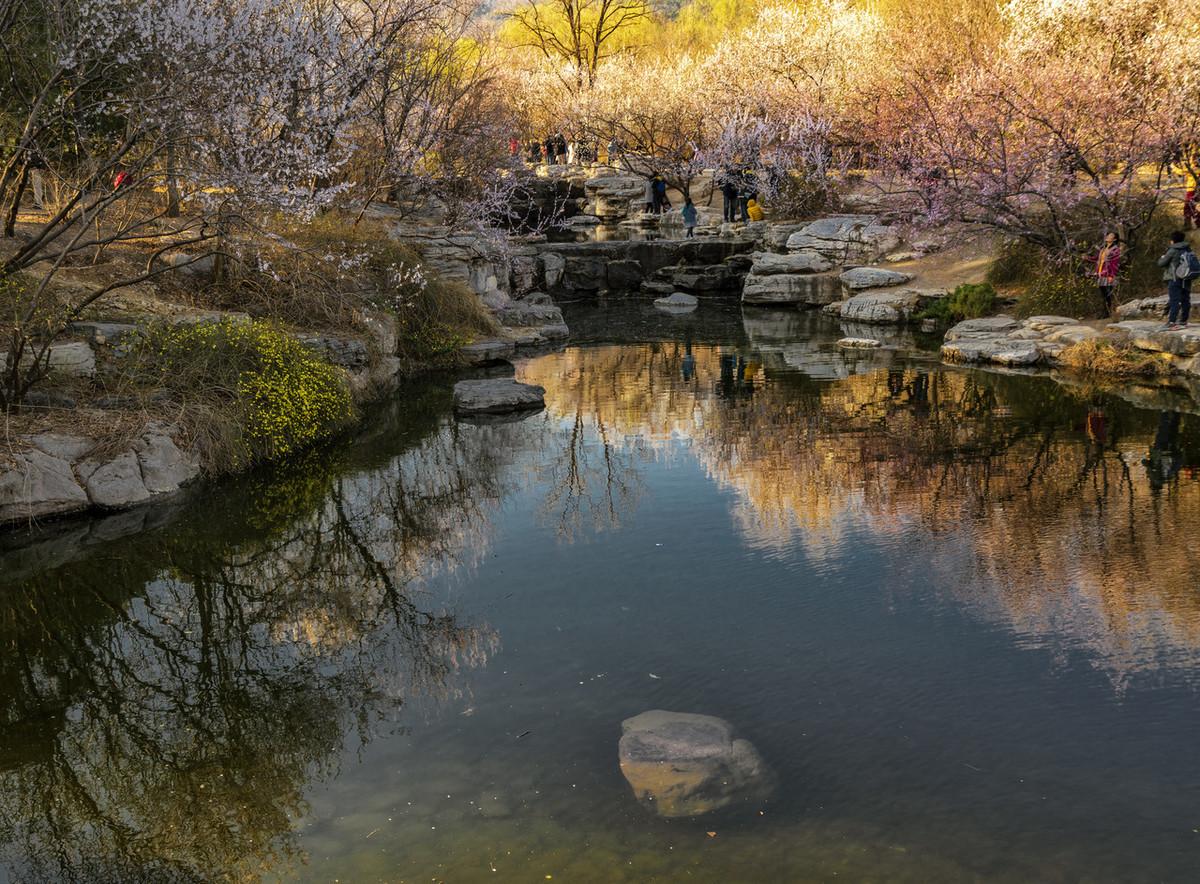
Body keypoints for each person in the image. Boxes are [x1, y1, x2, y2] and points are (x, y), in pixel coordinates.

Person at [1157, 231, 1196, 329]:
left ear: (1172, 240)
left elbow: (1161, 263)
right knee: (1185, 299)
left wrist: (1162, 257)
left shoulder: (1173, 250)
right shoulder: (1188, 248)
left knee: (1174, 299)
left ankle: (1171, 322)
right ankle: (1183, 321)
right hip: (1186, 278)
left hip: (1175, 278)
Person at [1095, 232, 1121, 315]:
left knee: (1108, 295)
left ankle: (1109, 312)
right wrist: (1087, 258)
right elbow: (1097, 258)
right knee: (1103, 295)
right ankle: (1106, 312)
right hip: (1101, 274)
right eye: (1108, 235)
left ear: (1114, 239)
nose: (1108, 237)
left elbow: (1114, 264)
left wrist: (1111, 275)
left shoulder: (1115, 249)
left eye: (1111, 236)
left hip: (1109, 274)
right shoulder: (1103, 249)